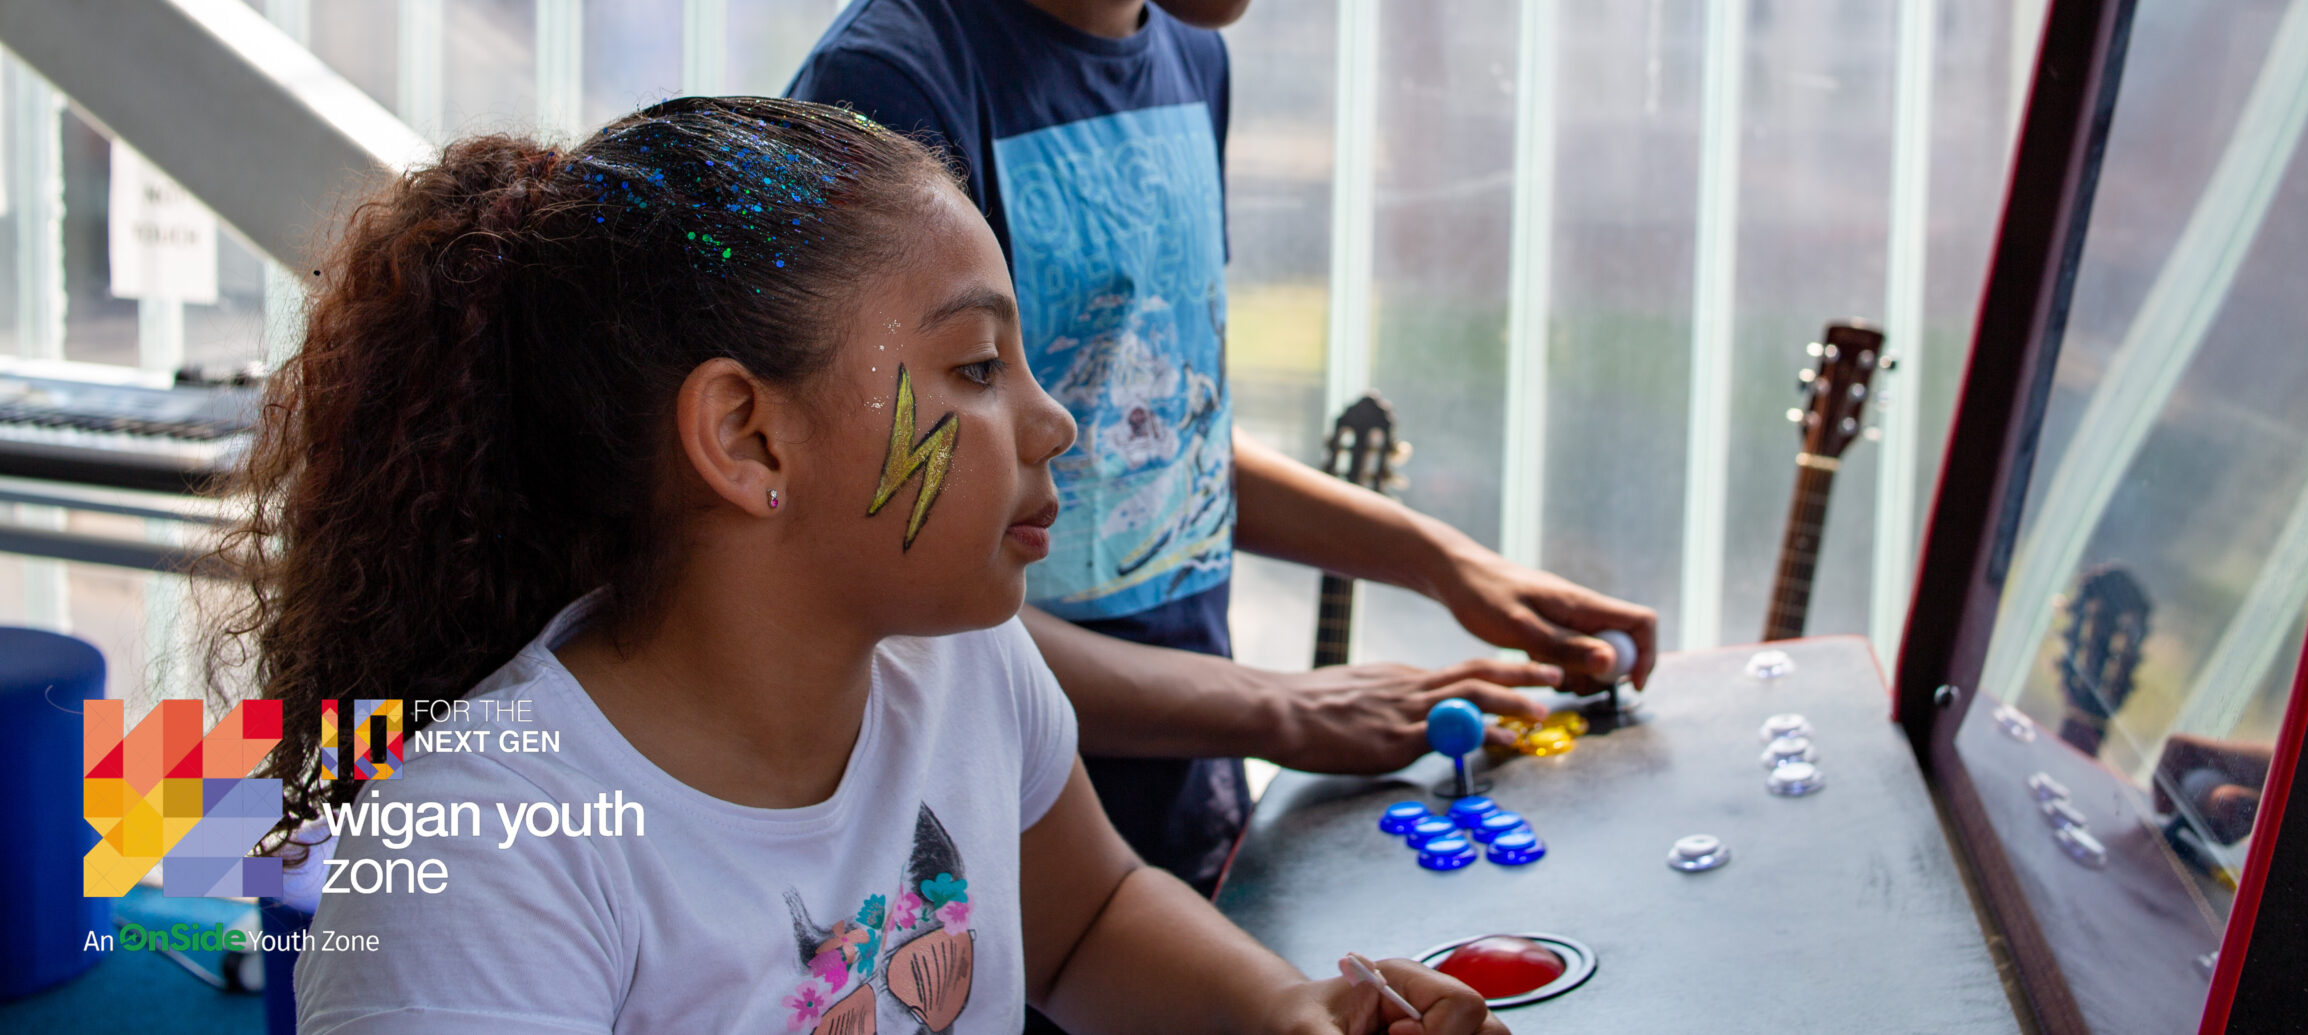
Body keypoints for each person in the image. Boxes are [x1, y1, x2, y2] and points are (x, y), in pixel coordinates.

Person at [214, 99, 1499, 1035]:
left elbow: (1089, 919)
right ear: (747, 437)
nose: (1054, 424)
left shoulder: (964, 667)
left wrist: (1281, 1011)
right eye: (976, 369)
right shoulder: (481, 856)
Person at [786, 0, 1658, 907]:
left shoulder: (1191, 55)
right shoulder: (898, 90)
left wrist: (1442, 563)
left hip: (1189, 807)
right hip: (995, 852)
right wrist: (1283, 706)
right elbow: (889, 584)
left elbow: (1151, 435)